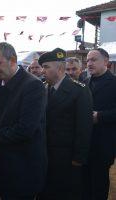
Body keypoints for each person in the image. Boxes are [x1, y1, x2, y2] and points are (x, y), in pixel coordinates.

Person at [0, 42, 47, 200]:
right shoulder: (2, 83)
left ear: (13, 60)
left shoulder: (33, 86)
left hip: (24, 169)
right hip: (4, 168)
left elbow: (26, 129)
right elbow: (1, 120)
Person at [37, 48, 93, 200]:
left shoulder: (79, 90)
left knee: (66, 193)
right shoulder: (44, 88)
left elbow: (84, 128)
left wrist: (79, 158)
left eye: (46, 67)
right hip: (45, 154)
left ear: (60, 68)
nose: (42, 71)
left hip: (67, 157)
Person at [83, 48, 116, 200]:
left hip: (104, 142)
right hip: (84, 142)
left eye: (93, 60)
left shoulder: (114, 82)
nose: (89, 63)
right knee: (85, 183)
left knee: (99, 184)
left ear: (106, 61)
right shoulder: (85, 82)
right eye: (88, 60)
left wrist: (100, 116)